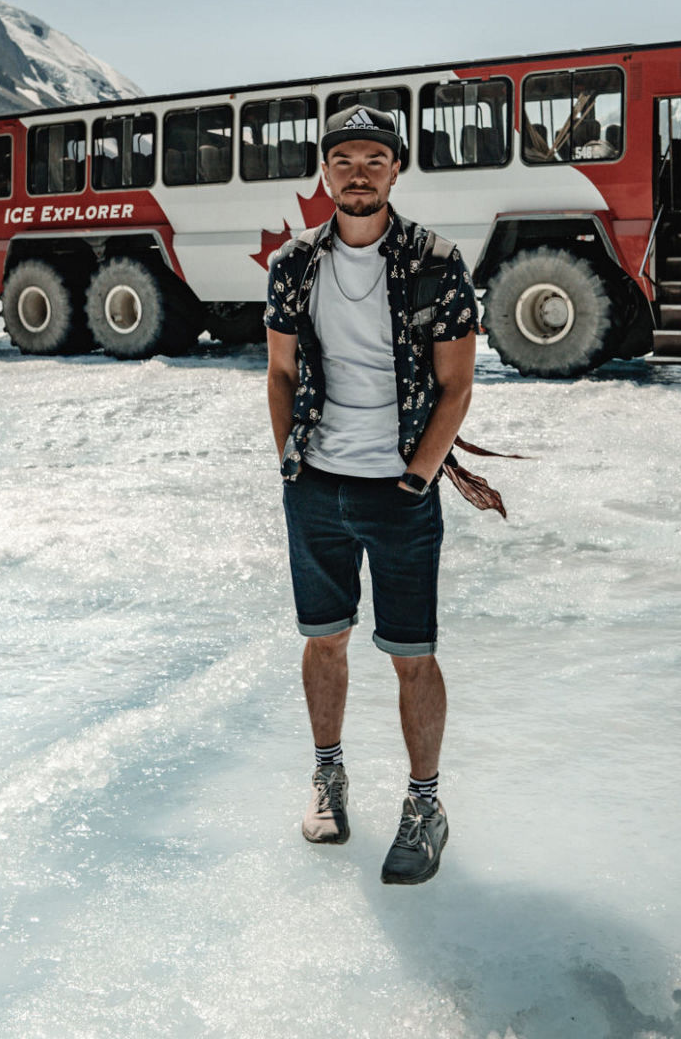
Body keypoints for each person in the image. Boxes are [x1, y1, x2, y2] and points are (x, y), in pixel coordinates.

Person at [265, 104, 479, 885]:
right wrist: (293, 463)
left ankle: (425, 805)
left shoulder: (434, 261)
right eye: (342, 160)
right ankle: (329, 778)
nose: (357, 174)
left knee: (412, 655)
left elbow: (456, 387)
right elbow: (282, 373)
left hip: (400, 489)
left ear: (396, 170)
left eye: (373, 160)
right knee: (323, 640)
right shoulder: (293, 264)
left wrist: (419, 476)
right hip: (316, 486)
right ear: (324, 172)